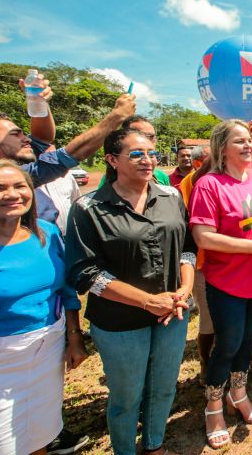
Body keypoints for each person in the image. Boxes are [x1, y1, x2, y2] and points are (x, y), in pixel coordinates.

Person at [65, 129, 194, 455]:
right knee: (126, 397)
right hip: (119, 323)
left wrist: (185, 289)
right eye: (137, 154)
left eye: (151, 152)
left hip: (172, 316)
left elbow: (187, 249)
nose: (148, 160)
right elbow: (86, 274)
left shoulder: (172, 197)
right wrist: (147, 301)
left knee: (164, 388)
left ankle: (153, 445)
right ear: (112, 159)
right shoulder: (88, 208)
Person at [189, 120, 252, 449]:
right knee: (227, 346)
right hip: (227, 284)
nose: (249, 146)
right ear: (222, 149)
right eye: (240, 142)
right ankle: (214, 407)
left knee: (247, 343)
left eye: (250, 140)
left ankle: (239, 394)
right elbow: (202, 236)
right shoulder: (210, 185)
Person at [0, 160, 87, 455]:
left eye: (20, 186)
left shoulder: (45, 232)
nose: (12, 194)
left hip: (45, 347)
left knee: (39, 432)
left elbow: (67, 288)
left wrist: (74, 336)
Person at [0, 90, 137, 223]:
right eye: (15, 134)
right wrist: (117, 116)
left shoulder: (20, 162)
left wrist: (38, 102)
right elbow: (70, 155)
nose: (27, 139)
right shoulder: (13, 175)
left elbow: (43, 138)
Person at [178, 145, 215, 385]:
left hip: (224, 261)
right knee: (208, 319)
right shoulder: (193, 181)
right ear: (198, 164)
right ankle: (205, 364)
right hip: (202, 264)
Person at [120, 116, 170, 186]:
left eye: (152, 137)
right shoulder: (114, 179)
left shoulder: (161, 177)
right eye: (141, 136)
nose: (147, 142)